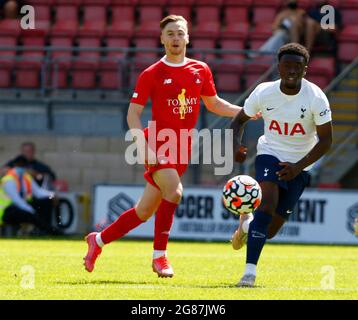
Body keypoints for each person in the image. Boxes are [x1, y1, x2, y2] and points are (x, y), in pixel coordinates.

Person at [83, 14, 250, 278]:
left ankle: (98, 240)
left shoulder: (200, 69)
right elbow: (132, 115)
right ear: (161, 39)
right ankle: (159, 257)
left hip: (182, 146)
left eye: (180, 33)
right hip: (159, 143)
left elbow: (214, 103)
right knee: (175, 191)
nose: (175, 38)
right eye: (170, 33)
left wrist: (245, 111)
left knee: (144, 211)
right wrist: (143, 147)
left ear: (188, 37)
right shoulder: (152, 73)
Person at [230, 43, 333, 287]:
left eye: (297, 66)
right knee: (265, 207)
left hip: (301, 165)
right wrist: (236, 145)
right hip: (270, 154)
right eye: (287, 65)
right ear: (278, 67)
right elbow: (237, 122)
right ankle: (249, 274)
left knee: (270, 230)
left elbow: (327, 141)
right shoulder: (264, 92)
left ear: (305, 70)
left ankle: (246, 224)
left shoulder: (316, 97)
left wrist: (298, 167)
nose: (291, 70)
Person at [0, 155, 61, 236]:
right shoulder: (8, 180)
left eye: (23, 166)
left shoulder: (26, 177)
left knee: (46, 201)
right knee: (30, 215)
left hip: (20, 207)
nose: (21, 168)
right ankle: (50, 231)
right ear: (14, 166)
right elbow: (17, 200)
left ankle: (46, 229)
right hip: (6, 211)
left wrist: (52, 195)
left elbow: (38, 192)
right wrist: (31, 211)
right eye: (19, 166)